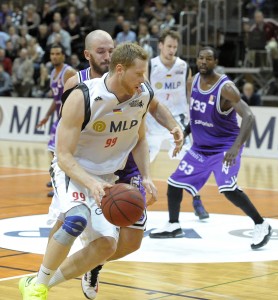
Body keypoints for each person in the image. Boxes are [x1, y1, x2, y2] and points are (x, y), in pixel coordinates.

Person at [19, 42, 158, 300]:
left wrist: (147, 176)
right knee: (76, 218)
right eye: (139, 73)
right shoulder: (82, 97)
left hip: (106, 176)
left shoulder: (143, 94)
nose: (144, 79)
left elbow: (139, 139)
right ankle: (37, 288)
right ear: (120, 70)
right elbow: (63, 156)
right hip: (72, 169)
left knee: (107, 245)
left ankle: (36, 283)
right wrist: (90, 184)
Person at [58, 29, 183, 300]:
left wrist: (173, 125)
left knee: (132, 240)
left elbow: (154, 105)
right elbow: (65, 132)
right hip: (90, 161)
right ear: (88, 54)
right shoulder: (77, 85)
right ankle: (43, 277)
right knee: (66, 221)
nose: (107, 54)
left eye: (110, 49)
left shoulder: (134, 79)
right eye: (101, 51)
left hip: (125, 161)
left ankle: (93, 264)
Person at [149, 46, 272, 251]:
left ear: (215, 62)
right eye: (200, 58)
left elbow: (249, 116)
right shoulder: (192, 82)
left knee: (228, 188)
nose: (203, 62)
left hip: (224, 147)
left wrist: (235, 147)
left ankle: (261, 224)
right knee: (174, 183)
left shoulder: (226, 88)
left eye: (208, 59)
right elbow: (197, 116)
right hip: (201, 148)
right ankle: (173, 224)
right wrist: (185, 134)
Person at [146, 29, 209, 220]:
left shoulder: (184, 66)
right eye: (169, 46)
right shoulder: (150, 65)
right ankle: (136, 199)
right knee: (141, 163)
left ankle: (197, 200)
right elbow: (144, 93)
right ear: (160, 45)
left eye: (175, 47)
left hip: (177, 121)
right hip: (155, 121)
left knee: (189, 162)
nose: (172, 50)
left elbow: (191, 93)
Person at [36, 43, 76, 197]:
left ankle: (62, 183)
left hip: (68, 117)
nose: (54, 56)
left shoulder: (69, 72)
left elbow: (79, 94)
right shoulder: (53, 72)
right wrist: (46, 116)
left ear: (63, 56)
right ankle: (57, 178)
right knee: (53, 151)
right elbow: (56, 99)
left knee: (59, 152)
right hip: (59, 117)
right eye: (52, 54)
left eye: (57, 53)